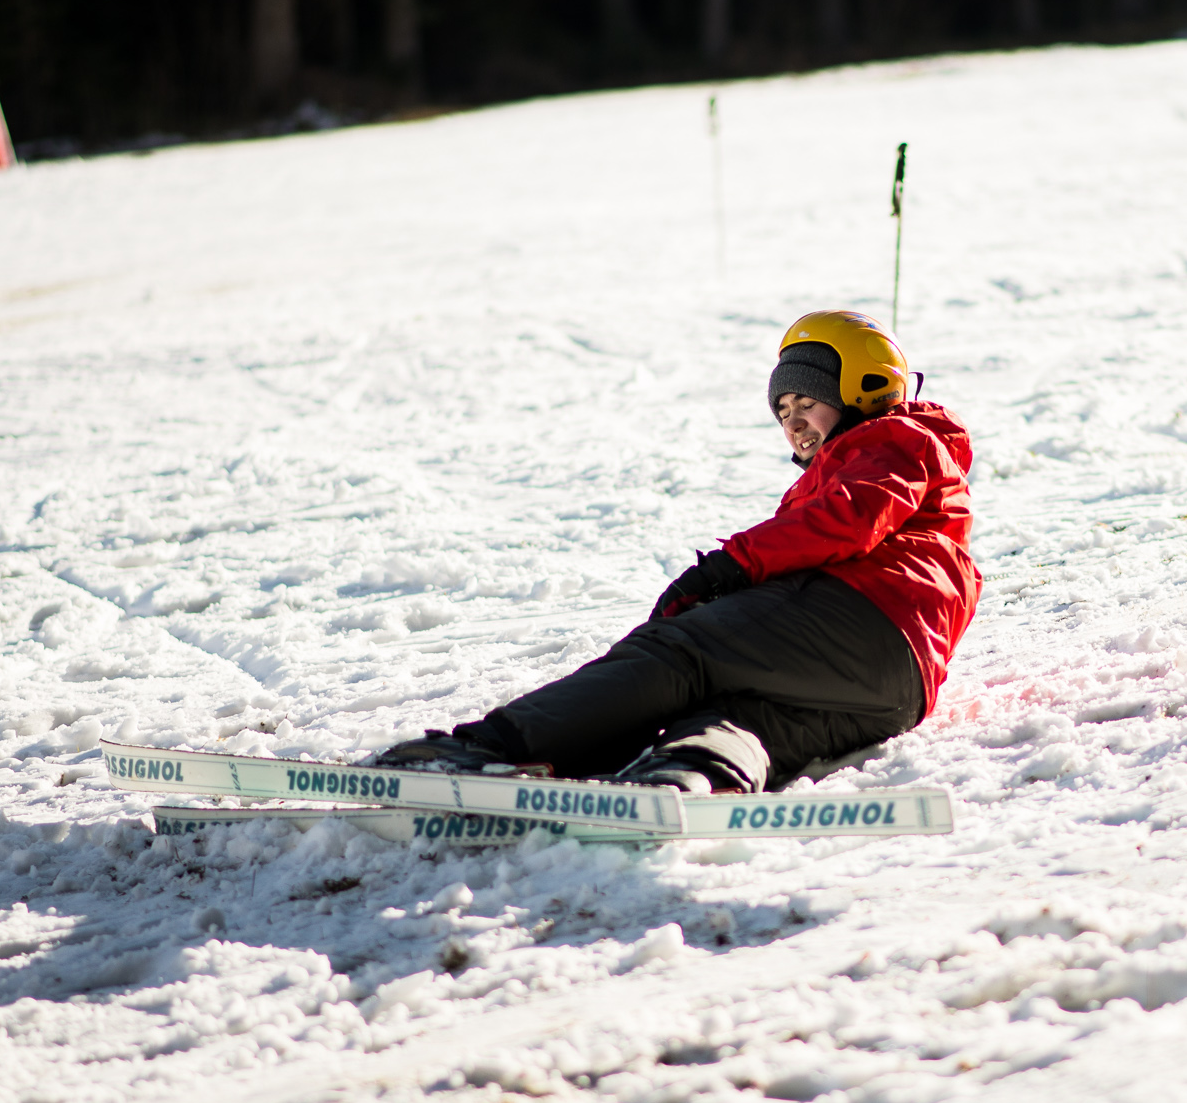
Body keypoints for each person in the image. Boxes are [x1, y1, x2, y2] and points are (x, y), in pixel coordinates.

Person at [373, 310, 981, 793]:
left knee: (681, 651)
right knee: (741, 714)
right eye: (782, 412)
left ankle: (491, 748)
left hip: (859, 620)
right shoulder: (882, 464)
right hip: (895, 687)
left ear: (858, 389)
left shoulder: (894, 437)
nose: (793, 423)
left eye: (807, 402)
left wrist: (727, 568)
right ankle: (686, 779)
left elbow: (847, 522)